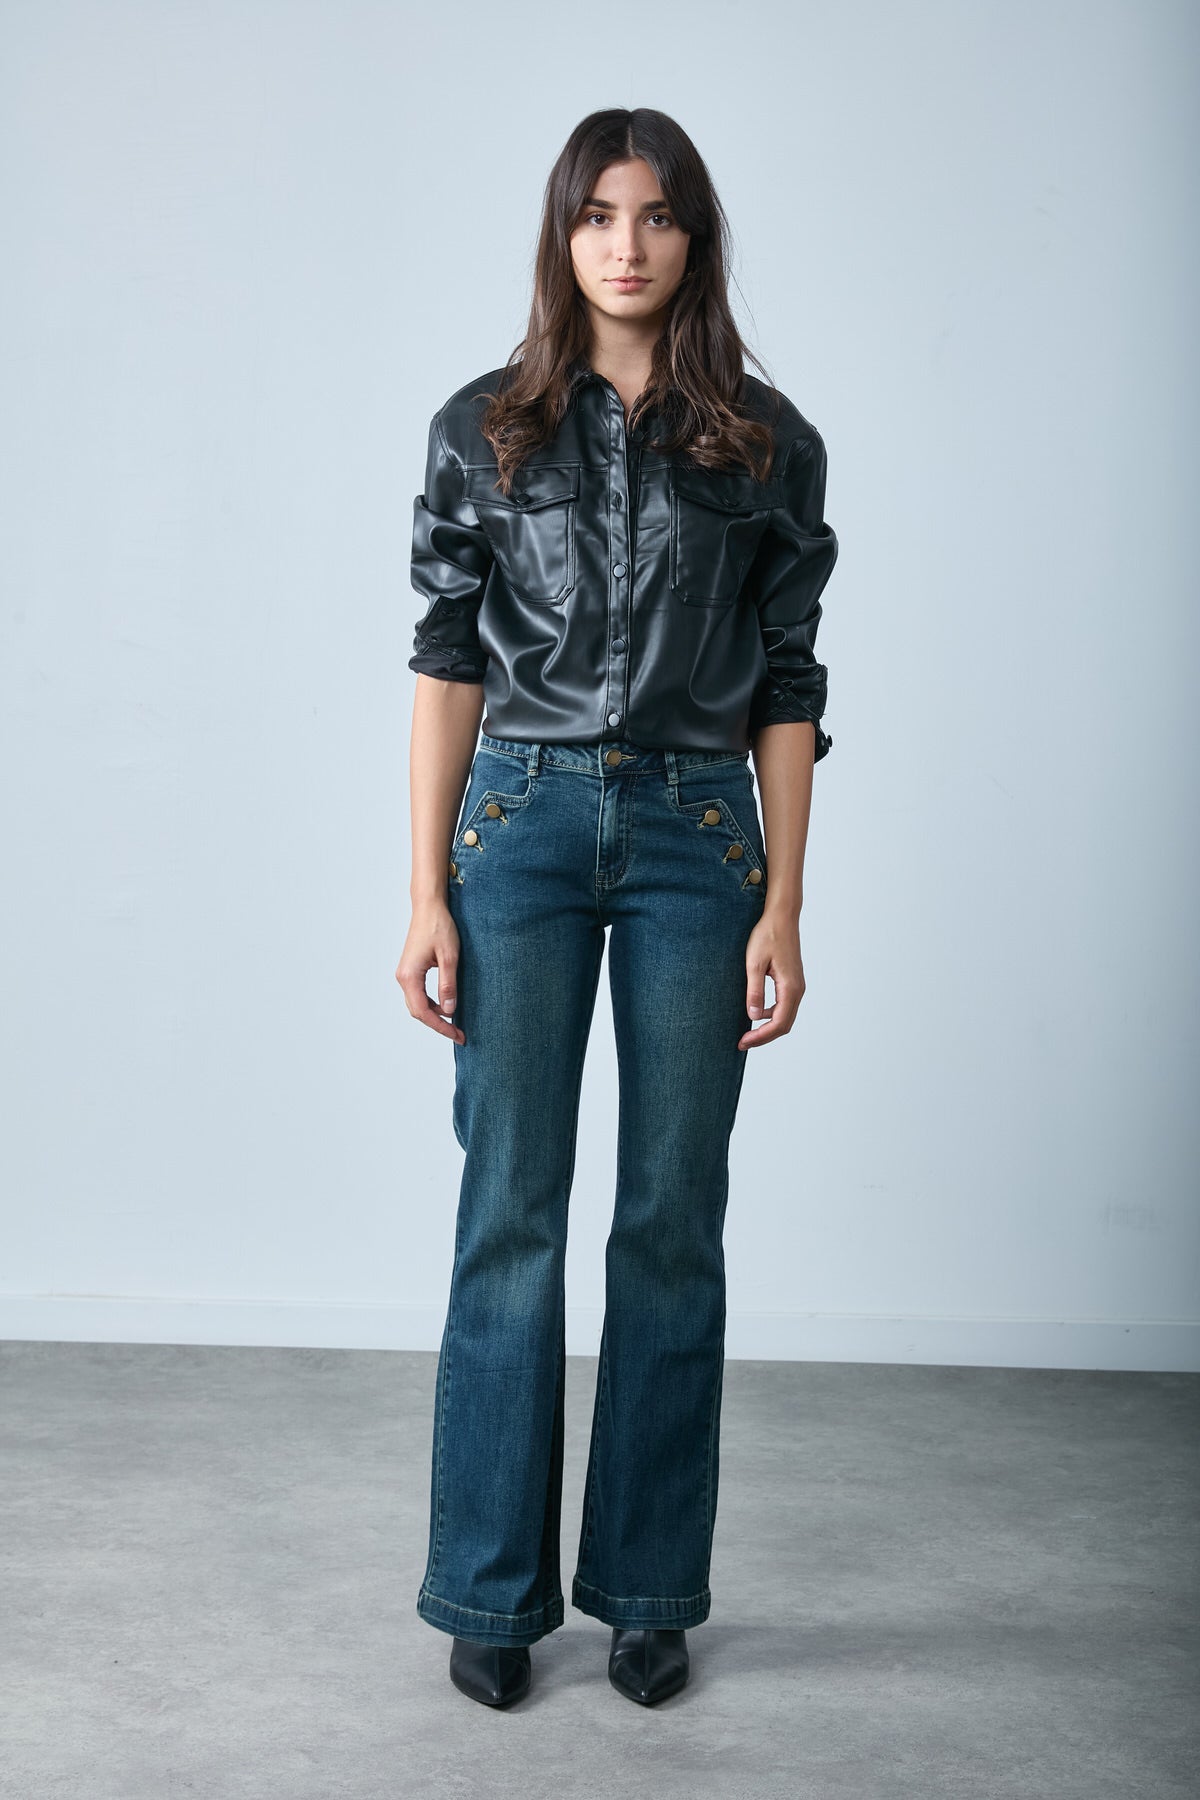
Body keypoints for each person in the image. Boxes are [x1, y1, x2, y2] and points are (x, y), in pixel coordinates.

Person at [395, 106, 838, 1710]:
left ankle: (649, 1590)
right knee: (509, 1209)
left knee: (668, 1218)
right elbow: (449, 659)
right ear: (563, 234)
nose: (625, 245)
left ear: (692, 236)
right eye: (597, 216)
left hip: (694, 837)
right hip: (517, 829)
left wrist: (784, 903)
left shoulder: (766, 441)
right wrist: (426, 888)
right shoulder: (484, 429)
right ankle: (491, 1593)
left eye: (654, 216)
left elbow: (788, 682)